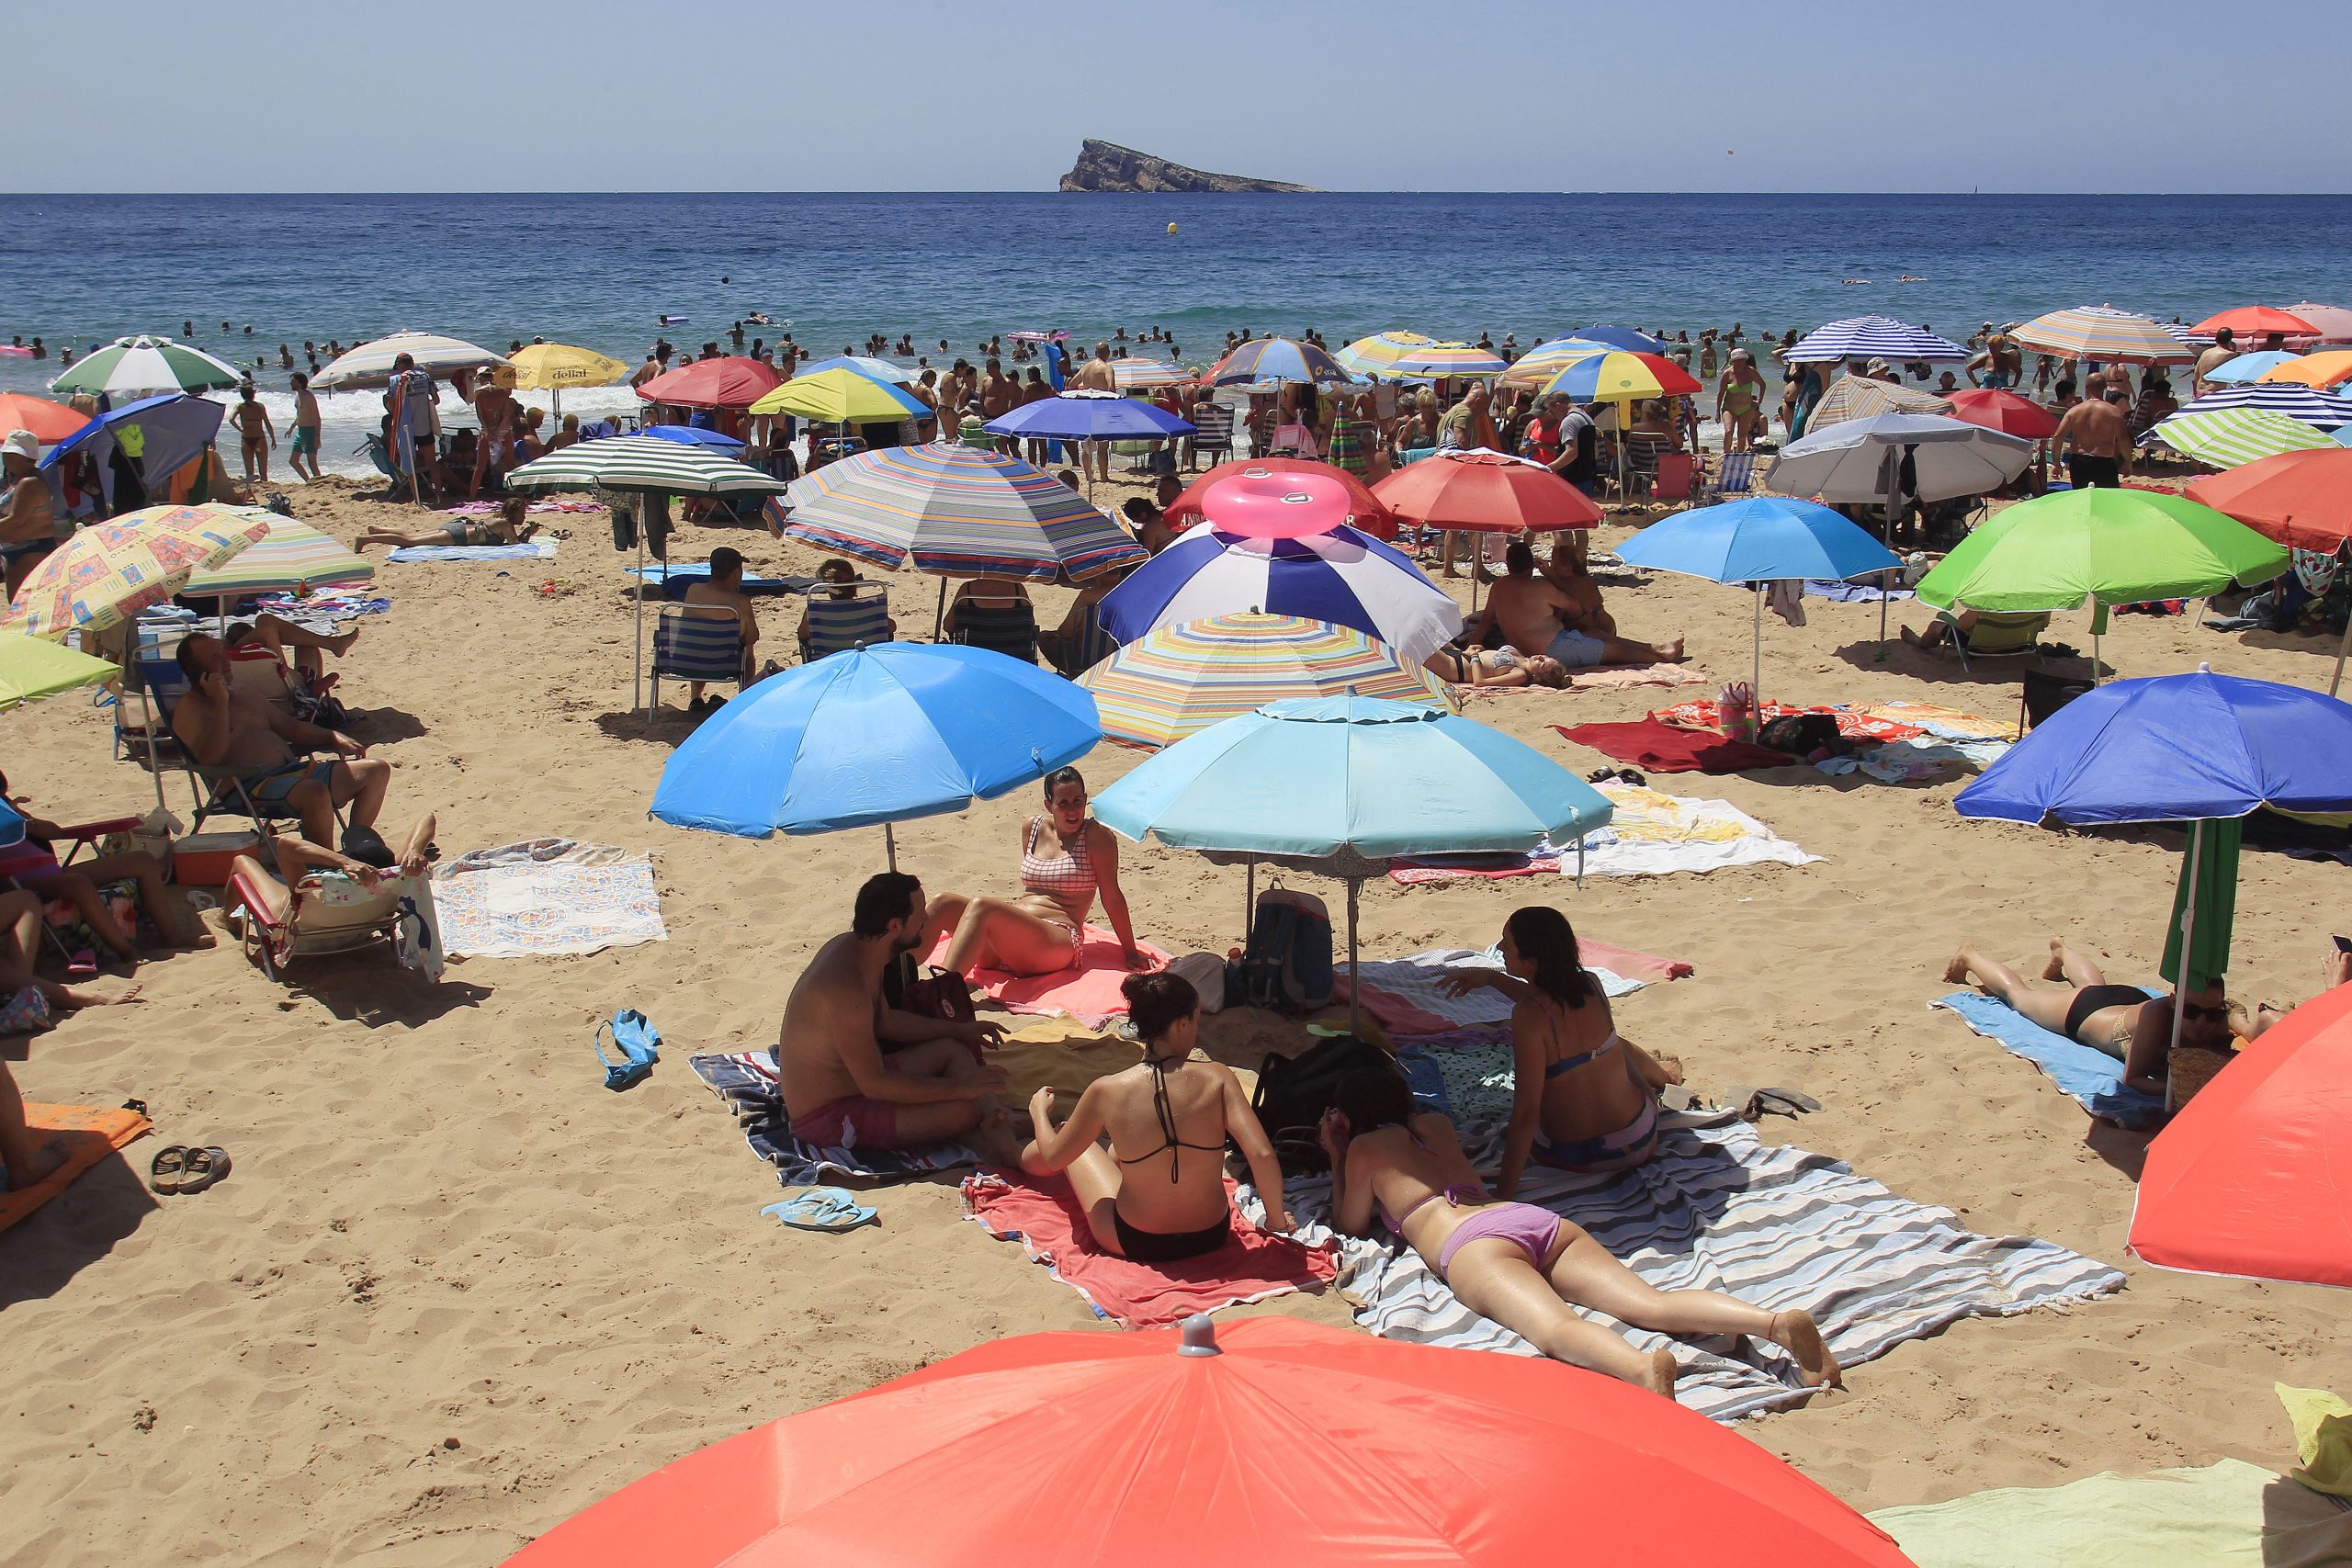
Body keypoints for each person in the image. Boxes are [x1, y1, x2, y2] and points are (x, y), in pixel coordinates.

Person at [1321, 1067, 1837, 1396]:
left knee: (1556, 1329)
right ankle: (1773, 1324)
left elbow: (1349, 1221)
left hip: (1472, 1246)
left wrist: (1336, 1152)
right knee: (1649, 1303)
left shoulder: (1365, 1148)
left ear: (1349, 1115)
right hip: (1526, 1218)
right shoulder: (1434, 1125)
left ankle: (1639, 1370)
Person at [1019, 970, 1293, 1259]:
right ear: (1183, 1023)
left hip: (1136, 1240)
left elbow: (1054, 1158)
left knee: (1064, 1133)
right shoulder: (1218, 1078)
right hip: (1211, 1235)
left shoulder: (1107, 1090)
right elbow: (1262, 1154)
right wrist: (1277, 1221)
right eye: (1196, 1021)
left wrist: (1038, 1113)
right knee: (1114, 1152)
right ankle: (1016, 1146)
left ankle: (1011, 1151)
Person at [775, 872, 1017, 1162]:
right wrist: (959, 1088)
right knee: (963, 1110)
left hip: (852, 1080)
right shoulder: (846, 989)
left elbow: (885, 1021)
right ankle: (986, 1118)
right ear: (894, 925)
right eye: (919, 916)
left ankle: (998, 1120)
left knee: (951, 1049)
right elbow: (874, 1084)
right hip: (828, 1114)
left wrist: (960, 1030)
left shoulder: (860, 950)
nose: (926, 921)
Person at [1437, 908, 1682, 1192]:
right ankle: (1660, 1080)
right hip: (1641, 1135)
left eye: (1508, 943)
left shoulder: (1528, 1017)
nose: (1501, 948)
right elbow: (1549, 1006)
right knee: (1611, 1045)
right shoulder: (1591, 984)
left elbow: (1526, 1113)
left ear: (1532, 960)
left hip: (1581, 1156)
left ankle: (1657, 1080)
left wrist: (1504, 1195)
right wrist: (1492, 979)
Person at [168, 633, 390, 849]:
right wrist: (219, 704)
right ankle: (329, 865)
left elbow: (291, 728)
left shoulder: (244, 693)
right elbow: (210, 759)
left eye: (223, 653)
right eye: (216, 658)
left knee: (376, 771)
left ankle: (356, 847)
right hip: (247, 787)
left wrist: (331, 736)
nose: (227, 660)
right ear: (195, 671)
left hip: (293, 772)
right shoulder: (189, 710)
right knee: (314, 792)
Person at [1944, 936, 2237, 1097]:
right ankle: (1969, 956)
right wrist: (2176, 1091)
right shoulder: (2156, 1016)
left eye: (2212, 1014)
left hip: (2123, 1000)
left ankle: (2063, 951)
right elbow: (2132, 1078)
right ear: (2173, 1002)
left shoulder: (2217, 1016)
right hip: (2085, 1012)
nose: (2202, 1022)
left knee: (2094, 986)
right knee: (2018, 996)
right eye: (2191, 1011)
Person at [926, 767, 1148, 978]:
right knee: (942, 903)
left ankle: (943, 993)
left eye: (1078, 801)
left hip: (1056, 941)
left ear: (1085, 799)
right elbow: (1033, 888)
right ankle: (896, 973)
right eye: (1063, 803)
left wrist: (1130, 951)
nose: (1072, 811)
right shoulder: (1032, 827)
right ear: (1048, 804)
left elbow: (1111, 896)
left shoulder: (1096, 837)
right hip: (1014, 942)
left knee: (982, 906)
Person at [0, 773, 209, 962]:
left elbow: (56, 833)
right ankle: (126, 952)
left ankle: (171, 937)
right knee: (78, 883)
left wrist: (26, 820)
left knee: (142, 861)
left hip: (52, 873)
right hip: (19, 883)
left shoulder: (9, 815)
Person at [1474, 539, 1684, 670]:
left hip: (1534, 648)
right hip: (1556, 648)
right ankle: (1663, 658)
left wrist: (1469, 649)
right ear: (1531, 564)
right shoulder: (1539, 587)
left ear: (1508, 565)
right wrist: (1550, 575)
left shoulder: (1498, 587)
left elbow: (1483, 624)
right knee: (1616, 652)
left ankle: (1657, 647)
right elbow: (1574, 605)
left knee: (1599, 636)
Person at [681, 546, 758, 710]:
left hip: (687, 661)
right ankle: (746, 693)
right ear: (736, 572)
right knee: (748, 648)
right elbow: (752, 636)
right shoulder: (740, 602)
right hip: (725, 664)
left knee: (700, 638)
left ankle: (695, 697)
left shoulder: (693, 590)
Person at [355, 494, 541, 551]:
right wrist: (529, 533)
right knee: (411, 541)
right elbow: (516, 545)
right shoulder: (506, 525)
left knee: (412, 534)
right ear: (514, 513)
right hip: (458, 536)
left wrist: (526, 531)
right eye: (522, 513)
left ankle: (377, 529)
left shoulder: (499, 517)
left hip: (458, 527)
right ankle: (366, 539)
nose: (524, 517)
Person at [0, 429, 58, 594]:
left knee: (25, 604)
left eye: (10, 455)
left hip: (30, 549)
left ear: (23, 458)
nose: (6, 458)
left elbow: (16, 520)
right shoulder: (19, 479)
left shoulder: (29, 482)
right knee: (18, 603)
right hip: (18, 547)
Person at [383, 353, 444, 502]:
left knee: (409, 463)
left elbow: (392, 406)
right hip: (424, 426)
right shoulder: (426, 377)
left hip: (406, 428)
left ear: (399, 365)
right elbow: (436, 400)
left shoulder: (395, 380)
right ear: (412, 363)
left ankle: (417, 499)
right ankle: (440, 496)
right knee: (432, 463)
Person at [2051, 387, 2131, 489]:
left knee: (2082, 497)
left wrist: (2056, 463)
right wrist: (2128, 462)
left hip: (2079, 461)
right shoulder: (2113, 411)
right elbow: (2123, 439)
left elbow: (2058, 437)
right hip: (2103, 461)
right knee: (2107, 498)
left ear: (2086, 388)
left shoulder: (2074, 411)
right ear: (2104, 388)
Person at [1071, 342, 1117, 485]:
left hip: (1087, 408)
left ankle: (1087, 476)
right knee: (1103, 446)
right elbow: (1111, 388)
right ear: (1108, 353)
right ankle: (1103, 476)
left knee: (1086, 446)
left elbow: (1071, 384)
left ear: (1095, 352)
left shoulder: (1086, 367)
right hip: (1101, 409)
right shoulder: (1107, 368)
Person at [1715, 349, 1766, 452]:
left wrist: (1759, 401)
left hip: (1746, 408)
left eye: (1742, 360)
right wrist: (1717, 411)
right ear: (1732, 361)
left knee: (1742, 435)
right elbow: (1720, 393)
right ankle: (1726, 455)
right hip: (1729, 407)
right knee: (1729, 431)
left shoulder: (1750, 371)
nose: (1740, 363)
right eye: (1737, 360)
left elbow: (1762, 384)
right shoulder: (1727, 373)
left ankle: (1739, 457)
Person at [229, 382, 276, 483]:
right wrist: (273, 439)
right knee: (263, 473)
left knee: (249, 473)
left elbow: (231, 419)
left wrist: (240, 429)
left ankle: (250, 491)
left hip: (246, 439)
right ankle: (266, 489)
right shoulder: (259, 407)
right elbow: (267, 424)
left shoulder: (240, 406)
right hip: (260, 439)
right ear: (253, 394)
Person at [288, 372, 323, 481]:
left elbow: (317, 418)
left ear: (299, 382)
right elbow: (299, 414)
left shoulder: (309, 397)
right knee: (293, 461)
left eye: (293, 381)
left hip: (310, 431)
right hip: (301, 431)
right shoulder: (297, 395)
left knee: (312, 463)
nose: (290, 383)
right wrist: (292, 427)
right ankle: (308, 481)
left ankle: (320, 483)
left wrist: (317, 437)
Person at [2194, 327, 2239, 397]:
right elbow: (2237, 377)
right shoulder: (2230, 355)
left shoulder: (2205, 353)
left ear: (2216, 338)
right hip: (2215, 394)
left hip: (2199, 392)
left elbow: (2195, 378)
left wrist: (2194, 393)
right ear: (2229, 341)